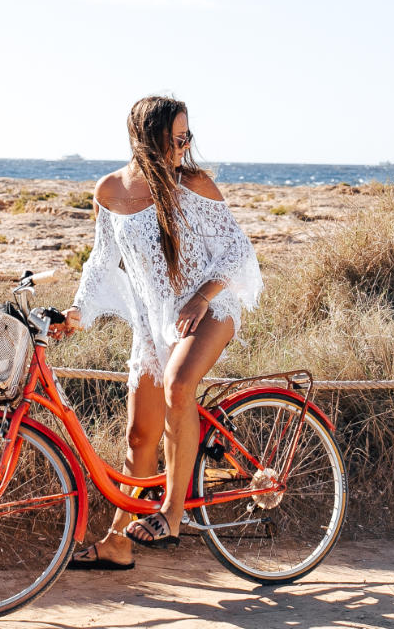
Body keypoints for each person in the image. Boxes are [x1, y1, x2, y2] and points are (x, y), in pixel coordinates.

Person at [49, 95, 262, 569]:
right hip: (153, 322)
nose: (185, 147)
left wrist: (200, 297)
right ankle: (119, 542)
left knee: (178, 385)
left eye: (189, 138)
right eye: (176, 139)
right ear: (148, 138)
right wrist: (77, 310)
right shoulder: (109, 190)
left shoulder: (194, 185)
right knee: (139, 436)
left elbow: (237, 251)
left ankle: (171, 515)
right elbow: (101, 260)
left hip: (208, 306)